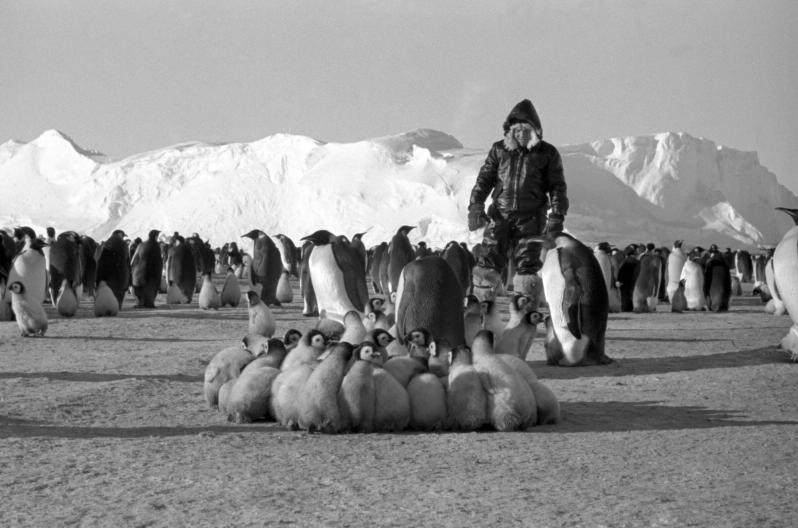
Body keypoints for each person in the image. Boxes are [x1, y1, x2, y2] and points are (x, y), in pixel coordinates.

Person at [467, 99, 569, 306]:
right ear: (509, 131)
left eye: (525, 129)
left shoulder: (547, 153)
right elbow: (484, 179)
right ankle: (480, 307)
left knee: (527, 265)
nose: (520, 134)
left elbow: (557, 186)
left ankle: (525, 314)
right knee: (488, 261)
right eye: (516, 130)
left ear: (535, 131)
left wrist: (557, 215)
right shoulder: (499, 150)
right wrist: (476, 205)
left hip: (531, 217)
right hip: (500, 214)